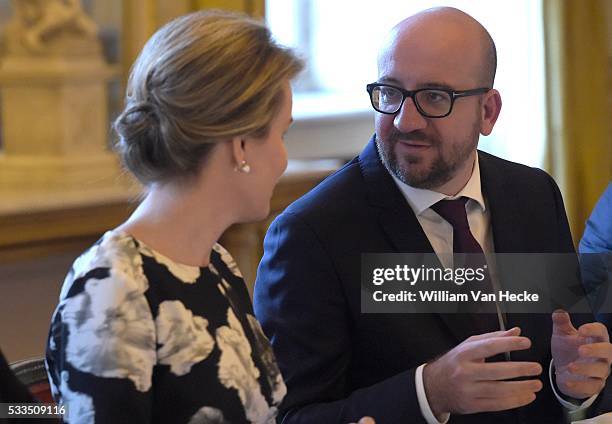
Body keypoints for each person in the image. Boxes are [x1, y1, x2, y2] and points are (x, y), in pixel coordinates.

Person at [254, 7, 612, 424]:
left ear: (488, 112)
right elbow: (291, 417)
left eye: (434, 97)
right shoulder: (313, 233)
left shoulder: (532, 195)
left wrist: (570, 385)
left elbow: (567, 358)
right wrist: (428, 392)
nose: (406, 121)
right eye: (389, 93)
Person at [45, 10, 302, 424]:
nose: (283, 160)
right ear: (240, 144)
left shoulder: (216, 263)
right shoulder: (113, 287)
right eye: (281, 134)